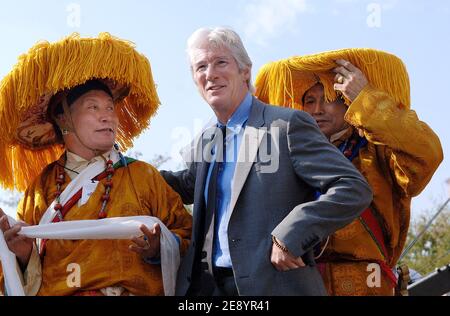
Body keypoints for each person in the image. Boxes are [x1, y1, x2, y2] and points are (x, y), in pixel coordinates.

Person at [160, 27, 373, 296]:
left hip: (275, 286)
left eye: (220, 62)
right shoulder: (206, 140)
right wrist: (124, 166)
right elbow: (185, 185)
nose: (210, 73)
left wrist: (292, 234)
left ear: (245, 71)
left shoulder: (286, 125)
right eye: (200, 66)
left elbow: (353, 187)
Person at [0, 33, 192, 296]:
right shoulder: (40, 188)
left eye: (110, 108)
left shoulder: (142, 175)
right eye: (93, 108)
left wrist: (161, 248)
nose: (107, 118)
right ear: (63, 119)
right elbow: (15, 271)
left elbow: (188, 235)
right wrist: (23, 256)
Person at [254, 49, 443, 295]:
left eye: (329, 98)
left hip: (367, 286)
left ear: (346, 99)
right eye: (309, 101)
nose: (317, 109)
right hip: (296, 283)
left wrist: (367, 100)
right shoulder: (288, 155)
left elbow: (428, 154)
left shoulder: (377, 151)